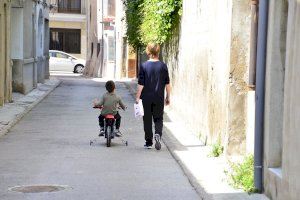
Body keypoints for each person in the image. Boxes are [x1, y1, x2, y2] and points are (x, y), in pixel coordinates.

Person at [135, 43, 171, 150]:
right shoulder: (163, 66)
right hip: (159, 97)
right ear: (158, 52)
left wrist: (137, 97)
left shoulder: (144, 66)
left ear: (148, 52)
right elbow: (167, 84)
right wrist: (168, 97)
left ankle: (149, 142)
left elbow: (141, 84)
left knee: (147, 119)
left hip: (146, 98)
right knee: (158, 118)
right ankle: (158, 134)